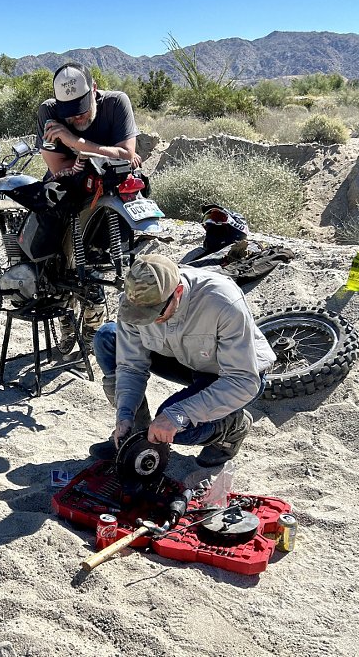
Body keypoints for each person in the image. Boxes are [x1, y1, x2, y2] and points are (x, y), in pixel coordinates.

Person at [91, 255, 277, 467]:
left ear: (177, 292)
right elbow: (130, 367)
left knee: (176, 424)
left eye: (155, 314)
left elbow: (243, 382)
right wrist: (125, 415)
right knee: (107, 338)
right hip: (183, 360)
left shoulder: (222, 301)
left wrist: (179, 414)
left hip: (232, 378)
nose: (149, 321)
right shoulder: (134, 300)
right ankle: (137, 435)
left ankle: (234, 426)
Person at [34, 62, 142, 351]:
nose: (77, 116)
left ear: (94, 90)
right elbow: (58, 168)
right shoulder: (48, 112)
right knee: (56, 260)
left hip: (107, 193)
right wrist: (104, 154)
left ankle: (94, 328)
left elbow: (128, 155)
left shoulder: (116, 103)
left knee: (96, 261)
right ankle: (66, 321)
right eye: (69, 112)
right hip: (69, 190)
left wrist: (75, 141)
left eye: (81, 108)